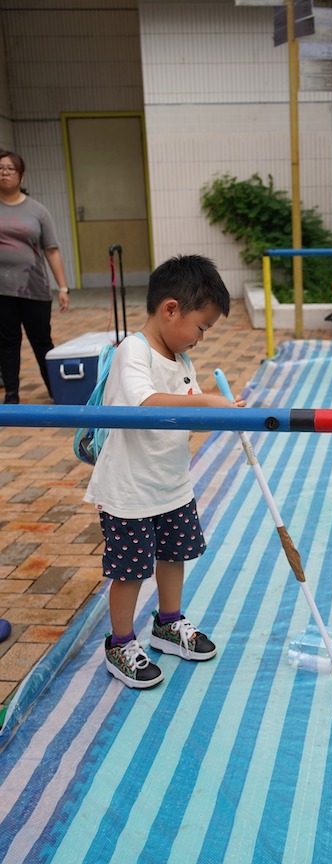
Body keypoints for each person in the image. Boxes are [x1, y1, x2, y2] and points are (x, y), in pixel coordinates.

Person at [84, 254, 247, 689]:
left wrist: (223, 414)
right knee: (131, 569)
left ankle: (168, 624)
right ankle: (120, 643)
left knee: (174, 556)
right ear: (170, 309)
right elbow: (145, 405)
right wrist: (207, 401)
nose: (199, 339)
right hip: (131, 490)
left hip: (172, 485)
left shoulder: (181, 360)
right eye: (201, 327)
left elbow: (189, 417)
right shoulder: (132, 353)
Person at [0, 149, 69, 403]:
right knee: (7, 342)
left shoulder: (38, 211)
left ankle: (57, 392)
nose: (4, 173)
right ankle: (12, 395)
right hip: (2, 291)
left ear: (21, 175)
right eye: (0, 168)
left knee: (41, 341)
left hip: (34, 288)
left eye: (9, 169)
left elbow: (51, 249)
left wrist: (63, 287)